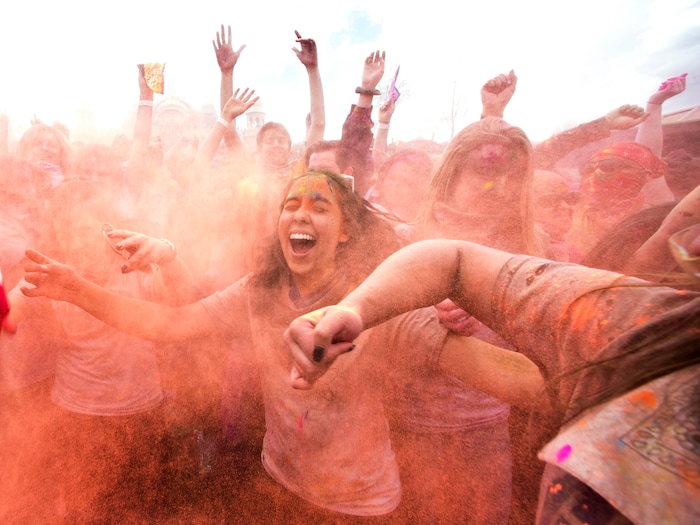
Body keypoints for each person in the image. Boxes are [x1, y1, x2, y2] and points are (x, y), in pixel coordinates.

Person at [285, 238, 700, 525]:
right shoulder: (649, 323)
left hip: (473, 445)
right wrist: (355, 310)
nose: (693, 243)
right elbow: (453, 262)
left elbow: (523, 382)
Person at [3, 179, 196, 522]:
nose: (78, 232)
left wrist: (167, 253)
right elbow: (7, 314)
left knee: (143, 513)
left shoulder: (135, 262)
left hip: (142, 414)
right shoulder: (50, 273)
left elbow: (189, 307)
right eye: (68, 222)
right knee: (82, 514)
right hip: (75, 420)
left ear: (106, 225)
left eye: (88, 221)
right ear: (57, 229)